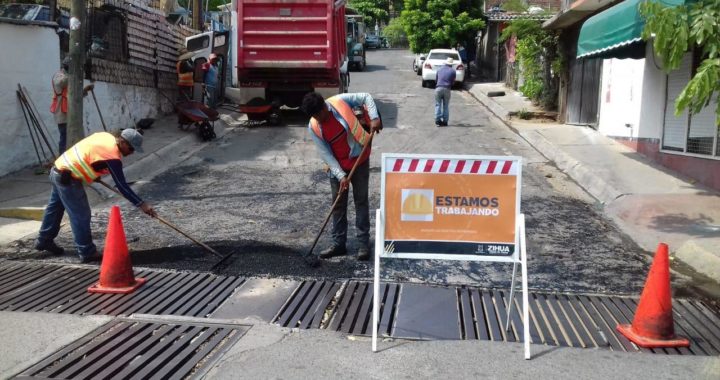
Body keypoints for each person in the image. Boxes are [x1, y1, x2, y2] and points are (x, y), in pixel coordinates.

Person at [35, 129, 157, 263]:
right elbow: (122, 185)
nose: (132, 152)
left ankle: (44, 240)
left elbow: (89, 154)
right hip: (68, 178)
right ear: (122, 142)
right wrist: (142, 204)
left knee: (55, 208)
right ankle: (86, 251)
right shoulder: (112, 155)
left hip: (57, 170)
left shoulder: (105, 136)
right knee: (81, 214)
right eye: (131, 148)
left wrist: (94, 174)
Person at [301, 92, 382, 261]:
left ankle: (363, 244)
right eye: (314, 116)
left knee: (361, 201)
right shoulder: (314, 126)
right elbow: (326, 155)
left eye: (318, 114)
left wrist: (374, 117)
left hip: (359, 159)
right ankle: (338, 244)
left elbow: (367, 96)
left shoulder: (340, 102)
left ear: (324, 106)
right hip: (337, 166)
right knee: (338, 205)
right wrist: (341, 176)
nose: (318, 118)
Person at [51, 57, 70, 153]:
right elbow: (62, 83)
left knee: (70, 136)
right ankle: (62, 157)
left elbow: (72, 95)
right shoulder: (59, 76)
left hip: (69, 112)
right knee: (64, 136)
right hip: (61, 112)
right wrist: (72, 75)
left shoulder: (68, 76)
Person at [435, 57, 456, 127]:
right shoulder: (453, 71)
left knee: (438, 104)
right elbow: (453, 82)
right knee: (445, 106)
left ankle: (437, 119)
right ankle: (445, 121)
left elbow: (436, 80)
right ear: (451, 64)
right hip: (447, 89)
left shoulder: (439, 69)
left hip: (438, 88)